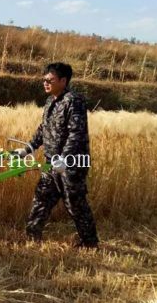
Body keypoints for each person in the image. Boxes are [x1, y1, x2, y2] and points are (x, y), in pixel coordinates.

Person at [11, 62, 99, 248]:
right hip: (51, 164)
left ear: (63, 81)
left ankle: (89, 243)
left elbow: (76, 133)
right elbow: (44, 129)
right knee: (41, 198)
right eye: (44, 79)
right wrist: (28, 148)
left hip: (71, 165)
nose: (45, 83)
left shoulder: (74, 101)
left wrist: (65, 159)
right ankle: (32, 236)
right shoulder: (50, 101)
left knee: (75, 205)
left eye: (49, 80)